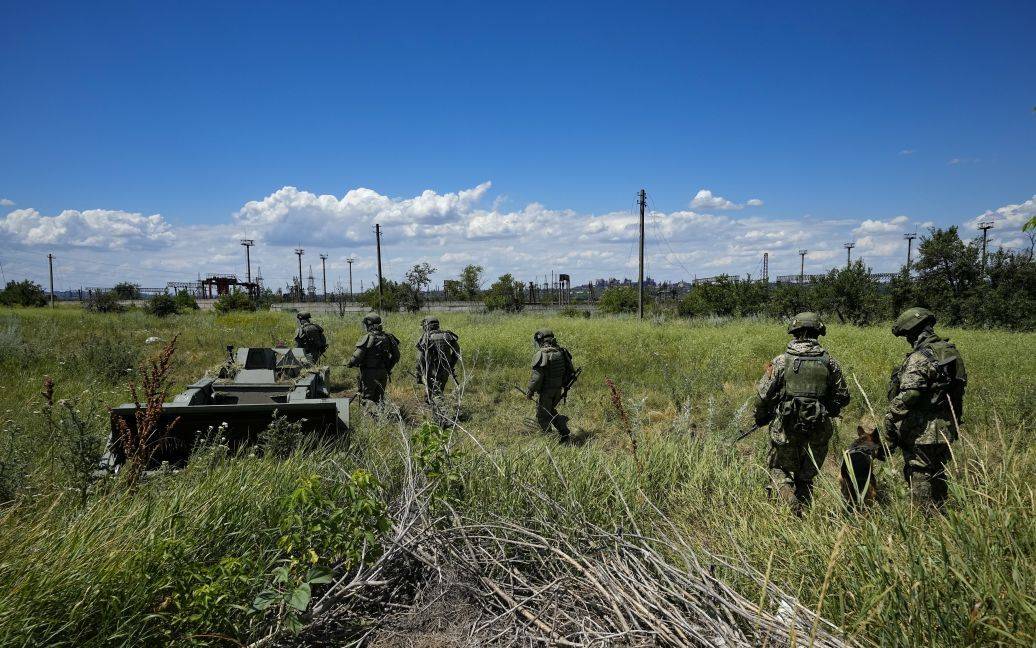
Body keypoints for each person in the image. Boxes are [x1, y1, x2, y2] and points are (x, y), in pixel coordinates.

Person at [753, 312, 850, 512]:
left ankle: (790, 501)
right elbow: (843, 395)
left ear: (795, 332)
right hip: (818, 428)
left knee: (779, 469)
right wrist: (826, 408)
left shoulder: (781, 361)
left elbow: (762, 395)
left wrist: (762, 416)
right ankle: (802, 517)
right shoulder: (829, 362)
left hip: (786, 428)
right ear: (818, 333)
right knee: (806, 477)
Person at [884, 307, 966, 512]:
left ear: (914, 332)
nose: (908, 340)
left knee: (919, 473)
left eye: (907, 336)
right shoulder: (950, 352)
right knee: (938, 471)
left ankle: (923, 520)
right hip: (945, 427)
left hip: (922, 430)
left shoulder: (920, 357)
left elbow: (911, 394)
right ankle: (941, 515)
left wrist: (890, 416)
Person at [526, 329, 576, 442]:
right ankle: (563, 430)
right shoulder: (561, 352)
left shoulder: (542, 354)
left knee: (542, 415)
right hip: (558, 390)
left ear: (541, 341)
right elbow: (569, 370)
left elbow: (537, 378)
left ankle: (547, 440)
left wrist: (530, 391)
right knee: (550, 410)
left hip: (546, 391)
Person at [346, 313, 400, 403]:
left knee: (368, 399)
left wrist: (350, 363)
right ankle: (380, 416)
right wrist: (388, 368)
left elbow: (357, 356)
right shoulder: (388, 337)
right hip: (383, 372)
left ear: (369, 325)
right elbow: (396, 357)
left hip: (369, 373)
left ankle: (370, 417)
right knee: (379, 399)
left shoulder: (368, 337)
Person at [415, 317, 461, 404]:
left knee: (435, 395)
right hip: (445, 370)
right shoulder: (447, 335)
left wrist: (418, 373)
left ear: (427, 326)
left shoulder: (426, 337)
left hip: (431, 370)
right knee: (439, 390)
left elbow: (420, 359)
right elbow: (457, 352)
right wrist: (450, 365)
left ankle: (439, 413)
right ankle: (435, 407)